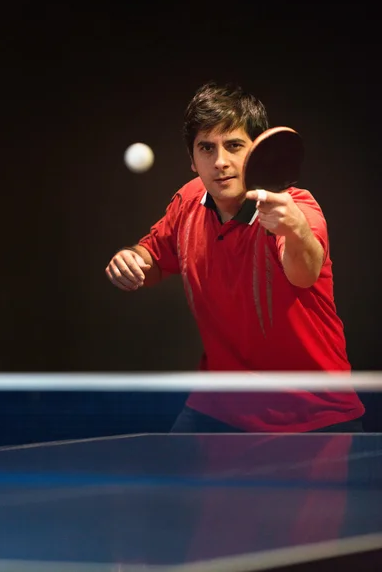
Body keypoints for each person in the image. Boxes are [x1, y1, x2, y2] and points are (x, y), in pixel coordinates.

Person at [105, 81, 365, 433]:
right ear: (192, 160)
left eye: (234, 146)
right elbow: (151, 256)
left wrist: (295, 231)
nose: (221, 162)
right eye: (207, 148)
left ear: (255, 151)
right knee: (168, 484)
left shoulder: (296, 208)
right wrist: (131, 260)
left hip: (313, 410)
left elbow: (304, 273)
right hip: (221, 405)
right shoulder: (188, 201)